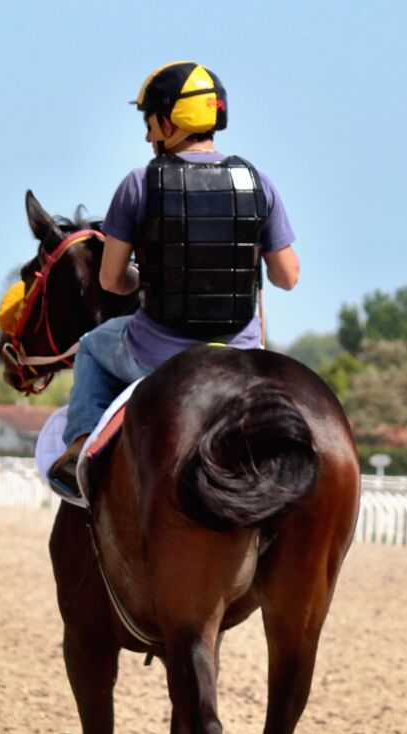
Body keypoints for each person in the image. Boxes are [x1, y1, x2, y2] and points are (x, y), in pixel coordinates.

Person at [46, 62, 299, 498]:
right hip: (238, 356)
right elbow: (287, 277)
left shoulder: (138, 184)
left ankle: (78, 448)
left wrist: (140, 280)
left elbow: (110, 281)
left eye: (149, 123)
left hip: (154, 356)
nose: (147, 137)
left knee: (91, 345)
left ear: (169, 120)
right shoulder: (258, 183)